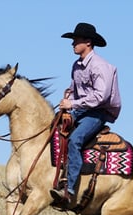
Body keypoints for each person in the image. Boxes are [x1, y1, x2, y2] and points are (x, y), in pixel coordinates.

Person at [50, 22, 122, 204]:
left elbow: (100, 96)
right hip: (80, 109)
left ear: (88, 42)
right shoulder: (76, 65)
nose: (72, 43)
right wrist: (68, 98)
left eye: (76, 40)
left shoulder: (99, 66)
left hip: (97, 112)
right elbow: (74, 90)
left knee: (75, 140)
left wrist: (72, 103)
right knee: (53, 128)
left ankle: (70, 190)